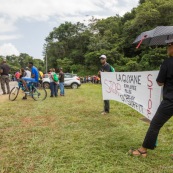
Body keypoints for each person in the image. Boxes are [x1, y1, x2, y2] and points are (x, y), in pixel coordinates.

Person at [129, 40, 173, 157]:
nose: (167, 48)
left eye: (169, 45)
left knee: (155, 125)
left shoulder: (168, 62)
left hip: (170, 101)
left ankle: (143, 150)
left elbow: (159, 82)